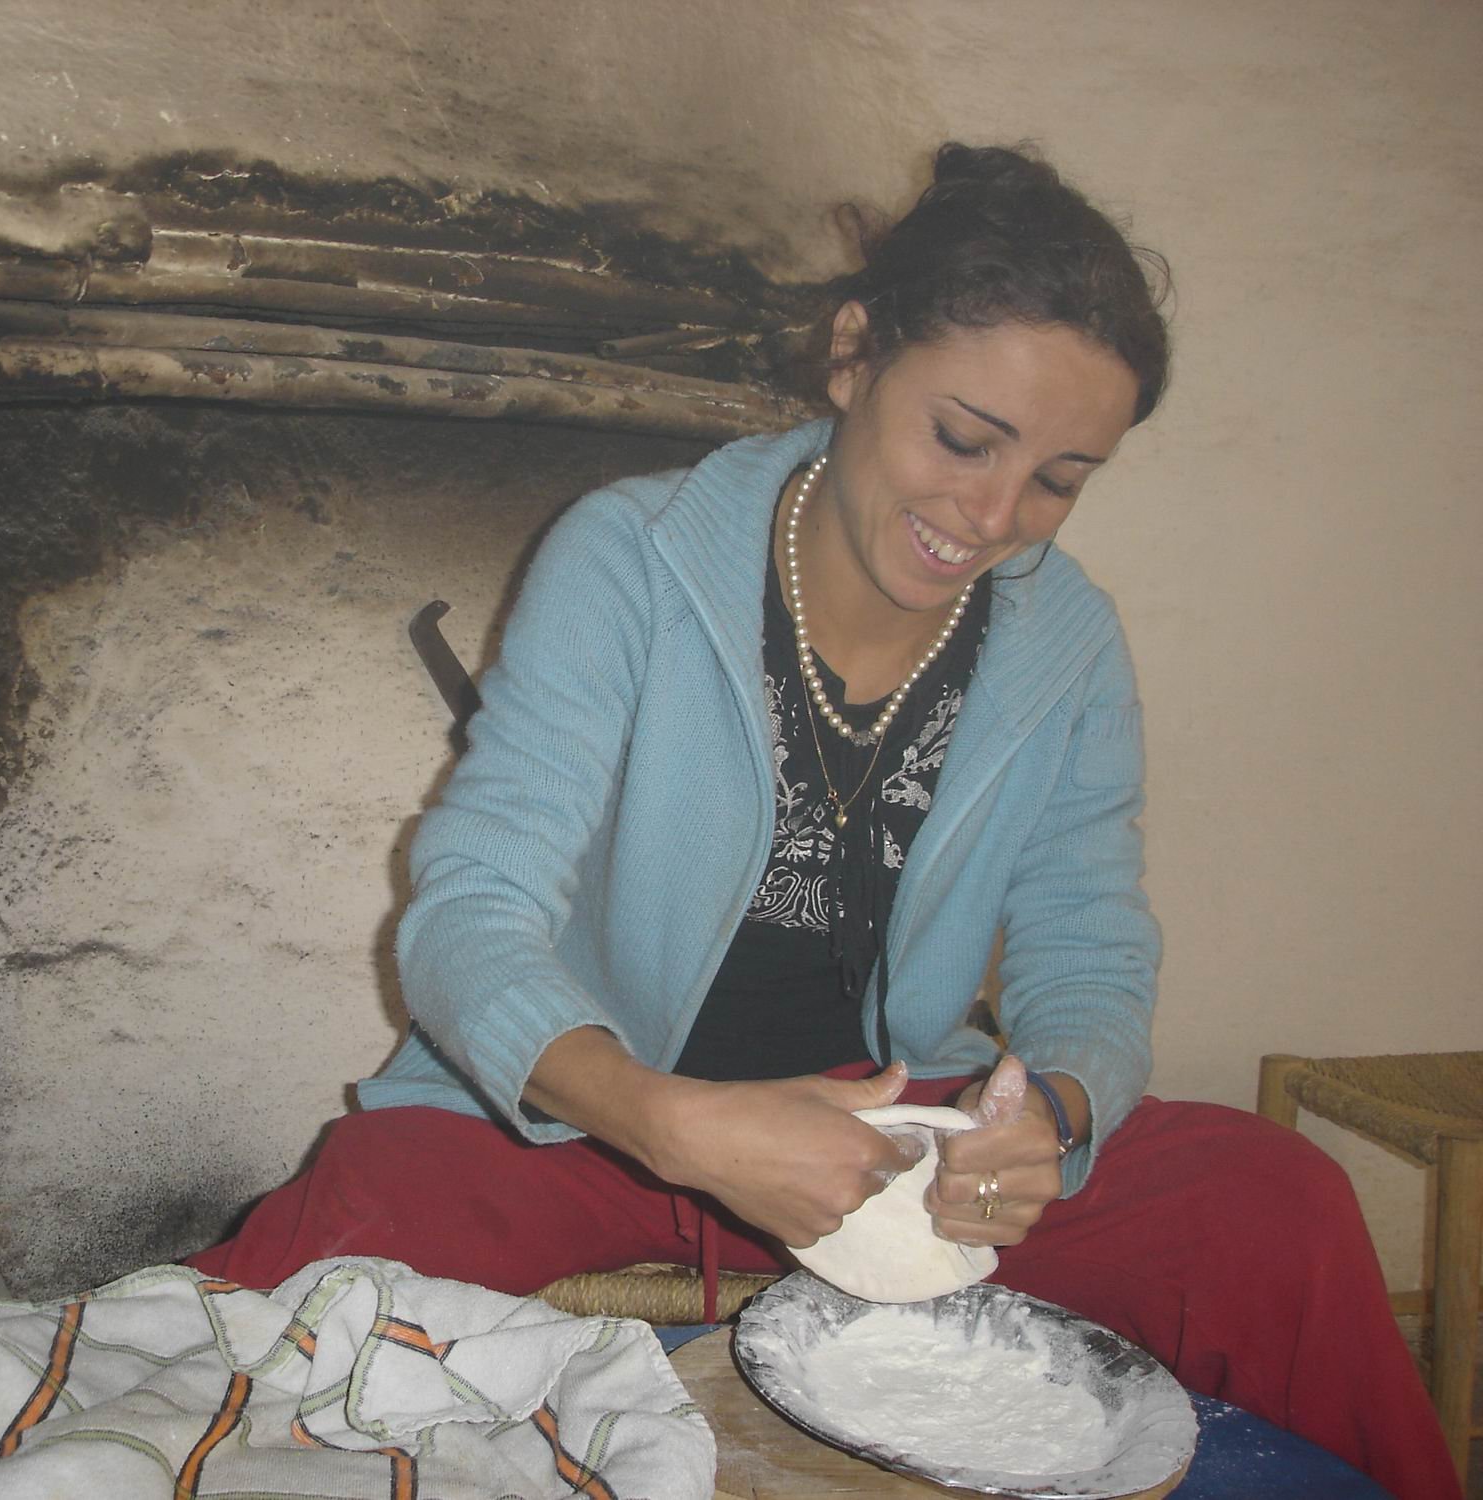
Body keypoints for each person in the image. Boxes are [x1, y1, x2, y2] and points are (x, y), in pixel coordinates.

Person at [190, 145, 1460, 1500]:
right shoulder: (633, 557)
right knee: (316, 1260)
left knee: (1275, 1210)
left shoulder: (1068, 643)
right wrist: (668, 1122)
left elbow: (1089, 944)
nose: (992, 517)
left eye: (1058, 477)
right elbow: (469, 909)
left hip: (897, 1141)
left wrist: (1049, 1116)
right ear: (854, 356)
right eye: (964, 440)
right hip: (597, 1128)